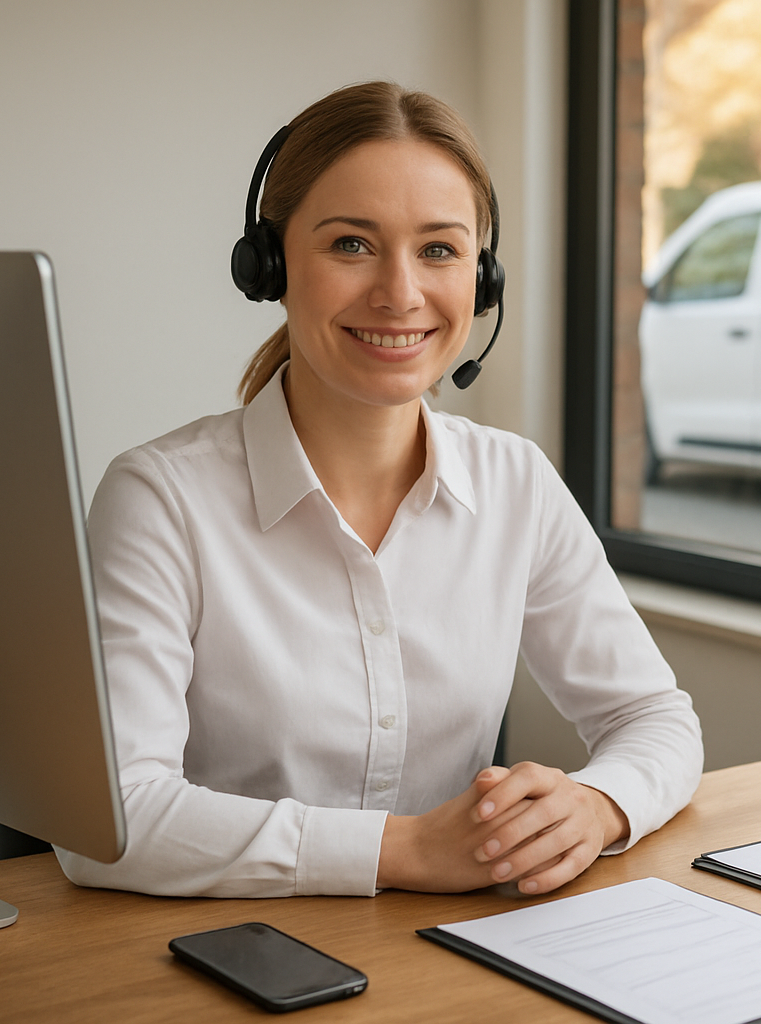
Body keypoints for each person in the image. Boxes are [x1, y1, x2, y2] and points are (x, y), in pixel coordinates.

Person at [56, 81, 702, 899]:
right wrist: (403, 851)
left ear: (483, 277)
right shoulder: (160, 501)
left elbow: (654, 718)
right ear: (270, 266)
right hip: (210, 957)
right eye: (352, 245)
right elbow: (110, 824)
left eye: (439, 250)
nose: (400, 293)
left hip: (440, 959)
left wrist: (599, 805)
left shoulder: (516, 484)